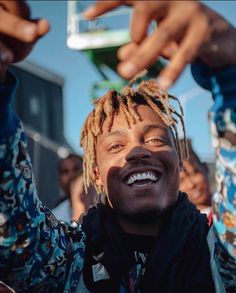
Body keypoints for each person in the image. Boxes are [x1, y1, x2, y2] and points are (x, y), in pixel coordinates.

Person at [0, 1, 235, 293]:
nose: (137, 151)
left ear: (178, 159)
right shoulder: (64, 260)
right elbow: (12, 235)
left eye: (155, 139)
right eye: (115, 146)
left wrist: (230, 74)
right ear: (96, 174)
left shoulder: (222, 252)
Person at [179, 138, 212, 220]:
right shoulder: (181, 228)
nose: (191, 185)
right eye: (181, 181)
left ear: (206, 167)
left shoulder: (229, 207)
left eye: (194, 173)